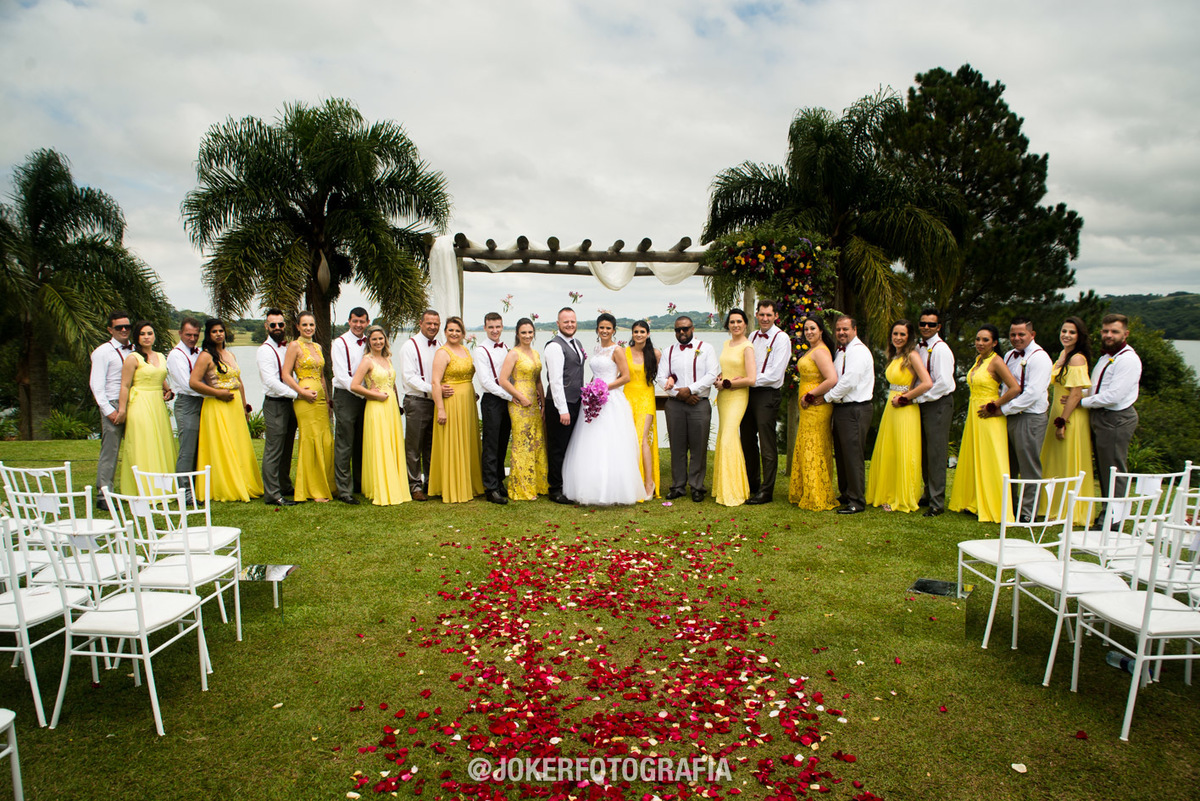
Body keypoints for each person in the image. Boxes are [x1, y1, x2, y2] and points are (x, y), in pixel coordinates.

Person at [561, 313, 646, 505]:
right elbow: (596, 373)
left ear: (614, 330)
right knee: (591, 442)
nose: (605, 331)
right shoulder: (597, 348)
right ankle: (591, 485)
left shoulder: (617, 350)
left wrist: (603, 388)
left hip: (610, 399)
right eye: (601, 328)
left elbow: (625, 377)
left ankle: (613, 489)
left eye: (608, 328)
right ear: (597, 330)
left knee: (610, 442)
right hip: (593, 399)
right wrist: (590, 390)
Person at [949, 324, 1021, 523]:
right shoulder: (979, 360)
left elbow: (1015, 388)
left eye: (985, 340)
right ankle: (975, 501)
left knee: (992, 459)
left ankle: (995, 506)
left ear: (995, 343)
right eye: (977, 339)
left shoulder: (996, 361)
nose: (980, 343)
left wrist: (995, 405)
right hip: (974, 414)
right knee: (975, 457)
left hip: (988, 416)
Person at [189, 318, 263, 502]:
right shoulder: (205, 356)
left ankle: (243, 481)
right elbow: (193, 382)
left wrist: (244, 406)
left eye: (221, 331)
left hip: (235, 404)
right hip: (217, 405)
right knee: (222, 444)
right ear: (209, 334)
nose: (218, 334)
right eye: (214, 331)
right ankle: (225, 485)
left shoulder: (231, 355)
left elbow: (239, 381)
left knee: (237, 443)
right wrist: (217, 393)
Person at [865, 320, 934, 512]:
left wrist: (906, 398)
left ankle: (903, 496)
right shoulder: (895, 356)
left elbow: (927, 383)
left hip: (905, 409)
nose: (898, 338)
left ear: (909, 337)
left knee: (904, 450)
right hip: (891, 407)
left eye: (902, 334)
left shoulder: (912, 356)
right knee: (890, 450)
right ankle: (887, 491)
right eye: (895, 334)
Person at [1080, 313, 1143, 505]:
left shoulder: (1128, 360)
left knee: (1113, 470)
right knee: (1103, 467)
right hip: (1101, 416)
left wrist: (1080, 403)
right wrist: (1076, 393)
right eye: (1105, 331)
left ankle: (1114, 519)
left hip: (1116, 418)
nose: (1109, 335)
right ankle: (1108, 513)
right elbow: (1094, 388)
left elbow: (1114, 396)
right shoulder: (1106, 357)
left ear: (1125, 333)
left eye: (1115, 332)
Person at [1039, 317, 1094, 525]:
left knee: (1067, 460)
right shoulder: (1064, 354)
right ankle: (1052, 506)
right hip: (1057, 412)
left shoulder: (1077, 359)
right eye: (1064, 331)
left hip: (1069, 416)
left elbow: (1076, 394)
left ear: (1079, 336)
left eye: (1072, 332)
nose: (1066, 335)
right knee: (1055, 460)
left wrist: (1063, 422)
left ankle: (1069, 510)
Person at [659, 316, 719, 502]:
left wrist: (690, 390)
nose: (681, 333)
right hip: (675, 404)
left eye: (685, 329)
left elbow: (712, 374)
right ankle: (678, 486)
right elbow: (661, 378)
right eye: (678, 330)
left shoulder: (706, 348)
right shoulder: (668, 351)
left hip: (698, 403)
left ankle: (697, 486)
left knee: (698, 446)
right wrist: (680, 394)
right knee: (677, 446)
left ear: (692, 328)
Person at [351, 325, 411, 506]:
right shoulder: (367, 361)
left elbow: (393, 384)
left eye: (381, 338)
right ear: (368, 341)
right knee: (381, 444)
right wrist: (374, 394)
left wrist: (398, 404)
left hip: (391, 406)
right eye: (374, 339)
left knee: (392, 443)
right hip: (376, 407)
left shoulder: (388, 359)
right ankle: (381, 487)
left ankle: (396, 484)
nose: (378, 342)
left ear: (385, 340)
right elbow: (354, 385)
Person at [115, 322, 177, 493]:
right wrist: (122, 410)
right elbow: (125, 385)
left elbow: (159, 376)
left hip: (157, 404)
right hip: (140, 403)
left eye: (150, 333)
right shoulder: (133, 358)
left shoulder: (160, 356)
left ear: (154, 335)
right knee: (144, 442)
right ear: (137, 337)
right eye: (142, 334)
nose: (147, 337)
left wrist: (168, 391)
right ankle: (144, 488)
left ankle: (163, 487)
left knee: (160, 441)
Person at [1001, 317, 1053, 521]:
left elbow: (1032, 393)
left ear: (1032, 335)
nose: (1016, 338)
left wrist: (1005, 409)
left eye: (1021, 334)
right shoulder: (1009, 355)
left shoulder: (1040, 358)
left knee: (1029, 466)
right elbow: (1006, 387)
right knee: (1009, 466)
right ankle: (1010, 507)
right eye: (1013, 334)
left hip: (1030, 417)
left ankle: (1028, 513)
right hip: (1011, 416)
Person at [428, 317, 484, 503]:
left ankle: (470, 484)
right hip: (451, 403)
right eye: (450, 330)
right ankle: (453, 487)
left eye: (457, 331)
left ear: (463, 333)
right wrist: (441, 409)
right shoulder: (442, 353)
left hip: (467, 402)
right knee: (453, 443)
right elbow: (436, 382)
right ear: (445, 331)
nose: (454, 334)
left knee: (467, 441)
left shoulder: (466, 350)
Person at [281, 311, 335, 502]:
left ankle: (327, 484)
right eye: (304, 325)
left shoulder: (318, 346)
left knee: (326, 441)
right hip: (305, 401)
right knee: (310, 442)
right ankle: (313, 491)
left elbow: (321, 376)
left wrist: (328, 401)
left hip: (320, 400)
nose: (308, 328)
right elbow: (285, 374)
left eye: (311, 325)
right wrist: (301, 392)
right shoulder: (294, 346)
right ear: (297, 327)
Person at [789, 315, 839, 511]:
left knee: (814, 445)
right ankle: (808, 490)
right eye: (806, 329)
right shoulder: (813, 350)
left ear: (821, 331)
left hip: (817, 406)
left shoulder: (820, 352)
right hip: (810, 408)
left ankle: (816, 494)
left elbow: (831, 379)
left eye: (813, 329)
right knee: (809, 444)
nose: (809, 332)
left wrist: (810, 395)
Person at [827, 316, 874, 515]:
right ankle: (846, 493)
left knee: (853, 456)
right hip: (842, 409)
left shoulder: (859, 351)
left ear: (854, 329)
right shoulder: (841, 351)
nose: (841, 333)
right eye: (838, 329)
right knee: (842, 454)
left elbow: (849, 381)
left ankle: (857, 500)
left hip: (855, 408)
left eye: (845, 329)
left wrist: (828, 397)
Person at [497, 318, 549, 501]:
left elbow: (538, 381)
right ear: (517, 334)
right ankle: (522, 488)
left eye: (530, 332)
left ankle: (538, 484)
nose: (527, 336)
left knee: (537, 441)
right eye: (523, 332)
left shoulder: (535, 353)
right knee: (522, 442)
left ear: (533, 333)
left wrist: (542, 404)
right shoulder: (513, 354)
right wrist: (520, 397)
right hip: (519, 404)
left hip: (534, 404)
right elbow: (503, 380)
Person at [742, 300, 788, 504]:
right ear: (757, 315)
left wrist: (749, 380)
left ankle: (766, 491)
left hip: (767, 393)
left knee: (767, 442)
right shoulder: (752, 336)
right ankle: (753, 484)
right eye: (761, 314)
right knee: (747, 439)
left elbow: (775, 374)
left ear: (775, 316)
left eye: (769, 315)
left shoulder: (782, 339)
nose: (765, 318)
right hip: (748, 393)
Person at [712, 309, 757, 507]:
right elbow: (728, 369)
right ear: (728, 325)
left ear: (745, 324)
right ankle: (722, 487)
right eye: (732, 322)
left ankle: (735, 490)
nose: (735, 325)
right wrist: (721, 377)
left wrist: (728, 383)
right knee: (723, 436)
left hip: (738, 396)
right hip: (723, 396)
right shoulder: (726, 344)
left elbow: (752, 379)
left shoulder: (748, 347)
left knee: (729, 437)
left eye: (739, 321)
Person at [915, 308, 956, 517]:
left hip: (938, 403)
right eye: (923, 323)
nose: (926, 327)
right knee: (924, 450)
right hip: (922, 404)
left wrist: (920, 397)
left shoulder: (941, 350)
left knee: (936, 453)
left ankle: (937, 502)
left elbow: (944, 383)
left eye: (931, 324)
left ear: (938, 327)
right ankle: (928, 492)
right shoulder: (919, 347)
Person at [89, 310, 132, 509]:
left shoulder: (134, 351)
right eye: (119, 327)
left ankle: (137, 490)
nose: (124, 330)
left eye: (127, 327)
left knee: (135, 447)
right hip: (113, 403)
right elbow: (96, 385)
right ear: (110, 329)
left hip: (134, 403)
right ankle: (103, 494)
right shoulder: (102, 352)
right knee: (110, 450)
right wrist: (108, 410)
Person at [256, 309, 298, 507]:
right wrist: (297, 393)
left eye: (280, 324)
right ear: (267, 326)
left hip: (289, 403)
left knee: (287, 446)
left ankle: (285, 484)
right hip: (275, 403)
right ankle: (272, 494)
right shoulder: (265, 350)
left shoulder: (286, 347)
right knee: (273, 449)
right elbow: (271, 382)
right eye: (273, 325)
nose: (278, 328)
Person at [400, 310, 444, 501]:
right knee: (413, 446)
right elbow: (409, 378)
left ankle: (431, 482)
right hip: (417, 401)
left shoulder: (441, 346)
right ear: (420, 323)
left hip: (436, 402)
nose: (433, 327)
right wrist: (434, 389)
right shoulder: (409, 346)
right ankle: (414, 485)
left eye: (436, 323)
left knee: (432, 445)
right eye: (429, 323)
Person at [544, 307, 586, 504]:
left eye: (573, 321)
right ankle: (555, 489)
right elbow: (556, 381)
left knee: (571, 446)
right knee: (558, 448)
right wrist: (563, 410)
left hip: (576, 401)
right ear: (558, 324)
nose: (570, 325)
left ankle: (567, 484)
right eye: (566, 322)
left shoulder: (576, 343)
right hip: (560, 405)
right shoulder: (554, 346)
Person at [331, 307, 370, 504]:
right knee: (345, 442)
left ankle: (360, 483)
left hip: (366, 396)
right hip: (346, 395)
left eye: (362, 321)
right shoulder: (339, 343)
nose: (358, 325)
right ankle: (344, 490)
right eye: (355, 321)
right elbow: (341, 375)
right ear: (349, 321)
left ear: (367, 322)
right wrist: (361, 391)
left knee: (362, 441)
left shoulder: (370, 342)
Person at [474, 312, 513, 505]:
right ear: (485, 328)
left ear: (502, 326)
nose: (495, 330)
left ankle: (499, 481)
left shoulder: (505, 347)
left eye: (498, 327)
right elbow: (486, 381)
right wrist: (509, 395)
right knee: (491, 444)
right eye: (491, 327)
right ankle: (490, 488)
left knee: (503, 442)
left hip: (507, 400)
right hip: (492, 400)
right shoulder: (481, 350)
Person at [625, 321, 662, 499]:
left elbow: (662, 376)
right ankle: (631, 481)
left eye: (642, 331)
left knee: (641, 438)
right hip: (628, 398)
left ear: (648, 333)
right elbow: (617, 375)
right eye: (636, 332)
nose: (639, 334)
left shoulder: (655, 354)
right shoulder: (624, 352)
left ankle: (648, 482)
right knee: (630, 439)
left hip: (646, 398)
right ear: (632, 334)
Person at [167, 317, 204, 487]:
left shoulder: (199, 352)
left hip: (202, 401)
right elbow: (186, 384)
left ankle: (197, 485)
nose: (192, 338)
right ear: (180, 333)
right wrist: (214, 393)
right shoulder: (176, 355)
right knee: (187, 448)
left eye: (196, 335)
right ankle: (185, 489)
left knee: (200, 447)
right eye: (188, 334)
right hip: (187, 402)